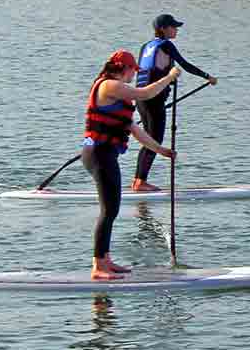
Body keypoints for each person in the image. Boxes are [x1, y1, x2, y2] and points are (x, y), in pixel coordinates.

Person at [81, 50, 180, 280]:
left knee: (112, 209)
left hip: (104, 154)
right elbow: (145, 94)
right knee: (109, 210)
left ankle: (105, 260)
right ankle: (98, 266)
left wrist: (162, 151)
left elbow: (136, 131)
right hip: (98, 154)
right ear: (122, 69)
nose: (132, 76)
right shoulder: (108, 86)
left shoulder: (119, 97)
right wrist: (169, 77)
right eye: (131, 72)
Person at [131, 14, 217, 192]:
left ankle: (138, 181)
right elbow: (185, 65)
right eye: (173, 26)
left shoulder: (145, 47)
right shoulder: (166, 45)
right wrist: (207, 77)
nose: (176, 29)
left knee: (148, 139)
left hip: (141, 98)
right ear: (163, 29)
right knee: (154, 140)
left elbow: (145, 73)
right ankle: (140, 182)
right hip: (153, 99)